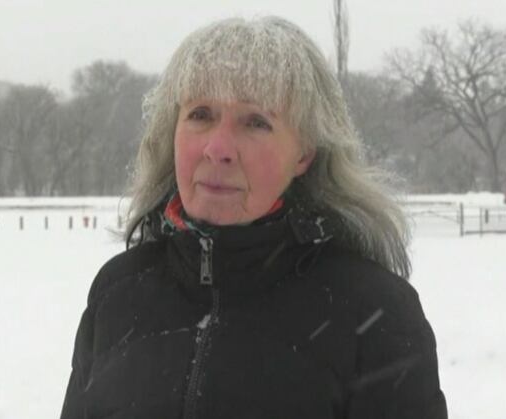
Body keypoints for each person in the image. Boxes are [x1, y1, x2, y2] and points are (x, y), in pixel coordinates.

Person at [60, 16, 447, 419]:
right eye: (201, 114)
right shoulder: (118, 292)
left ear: (304, 155)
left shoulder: (374, 313)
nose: (218, 148)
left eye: (255, 122)